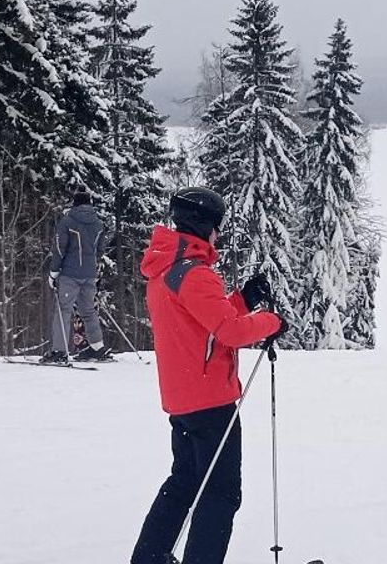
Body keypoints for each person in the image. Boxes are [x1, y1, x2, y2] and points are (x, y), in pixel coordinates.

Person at [131, 187, 285, 564]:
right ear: (202, 226)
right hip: (211, 402)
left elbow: (202, 322)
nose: (218, 235)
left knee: (184, 482)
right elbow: (230, 332)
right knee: (221, 492)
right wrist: (271, 322)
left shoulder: (167, 269)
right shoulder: (196, 274)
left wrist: (243, 300)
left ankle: (148, 558)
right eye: (216, 227)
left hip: (183, 398)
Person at [43, 185, 111, 363]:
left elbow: (59, 248)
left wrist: (53, 272)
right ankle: (97, 347)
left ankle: (59, 351)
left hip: (69, 274)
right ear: (89, 203)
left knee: (63, 310)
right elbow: (101, 249)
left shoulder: (67, 221)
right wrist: (91, 264)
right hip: (89, 274)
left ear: (75, 203)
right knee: (88, 310)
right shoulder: (98, 223)